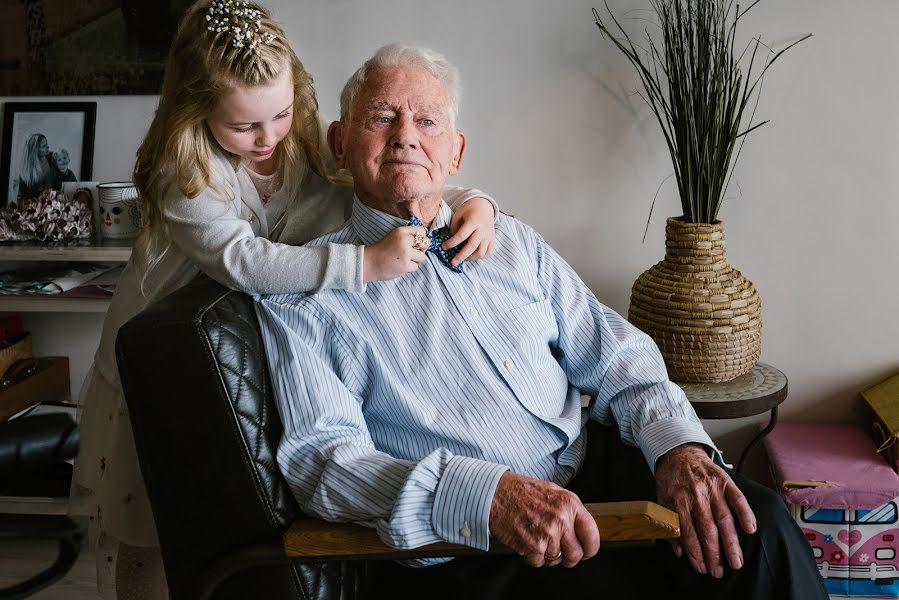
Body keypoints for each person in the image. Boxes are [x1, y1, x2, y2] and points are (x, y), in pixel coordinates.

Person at [254, 43, 829, 599]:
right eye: (382, 117)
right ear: (340, 143)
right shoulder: (305, 293)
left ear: (455, 153)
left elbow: (615, 354)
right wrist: (485, 495)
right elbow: (324, 463)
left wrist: (680, 449)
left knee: (759, 526)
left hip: (597, 473)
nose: (406, 135)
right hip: (476, 544)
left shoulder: (513, 243)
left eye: (427, 121)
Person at [69, 3, 499, 599]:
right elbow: (246, 262)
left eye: (281, 112)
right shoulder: (185, 174)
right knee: (150, 521)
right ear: (196, 113)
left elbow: (377, 170)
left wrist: (475, 200)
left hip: (267, 339)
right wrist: (365, 264)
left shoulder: (298, 141)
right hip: (171, 361)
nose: (268, 137)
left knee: (221, 502)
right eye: (244, 127)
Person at [15, 133, 55, 202]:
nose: (48, 147)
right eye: (43, 146)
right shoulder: (26, 172)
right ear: (35, 150)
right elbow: (21, 198)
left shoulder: (51, 158)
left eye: (46, 144)